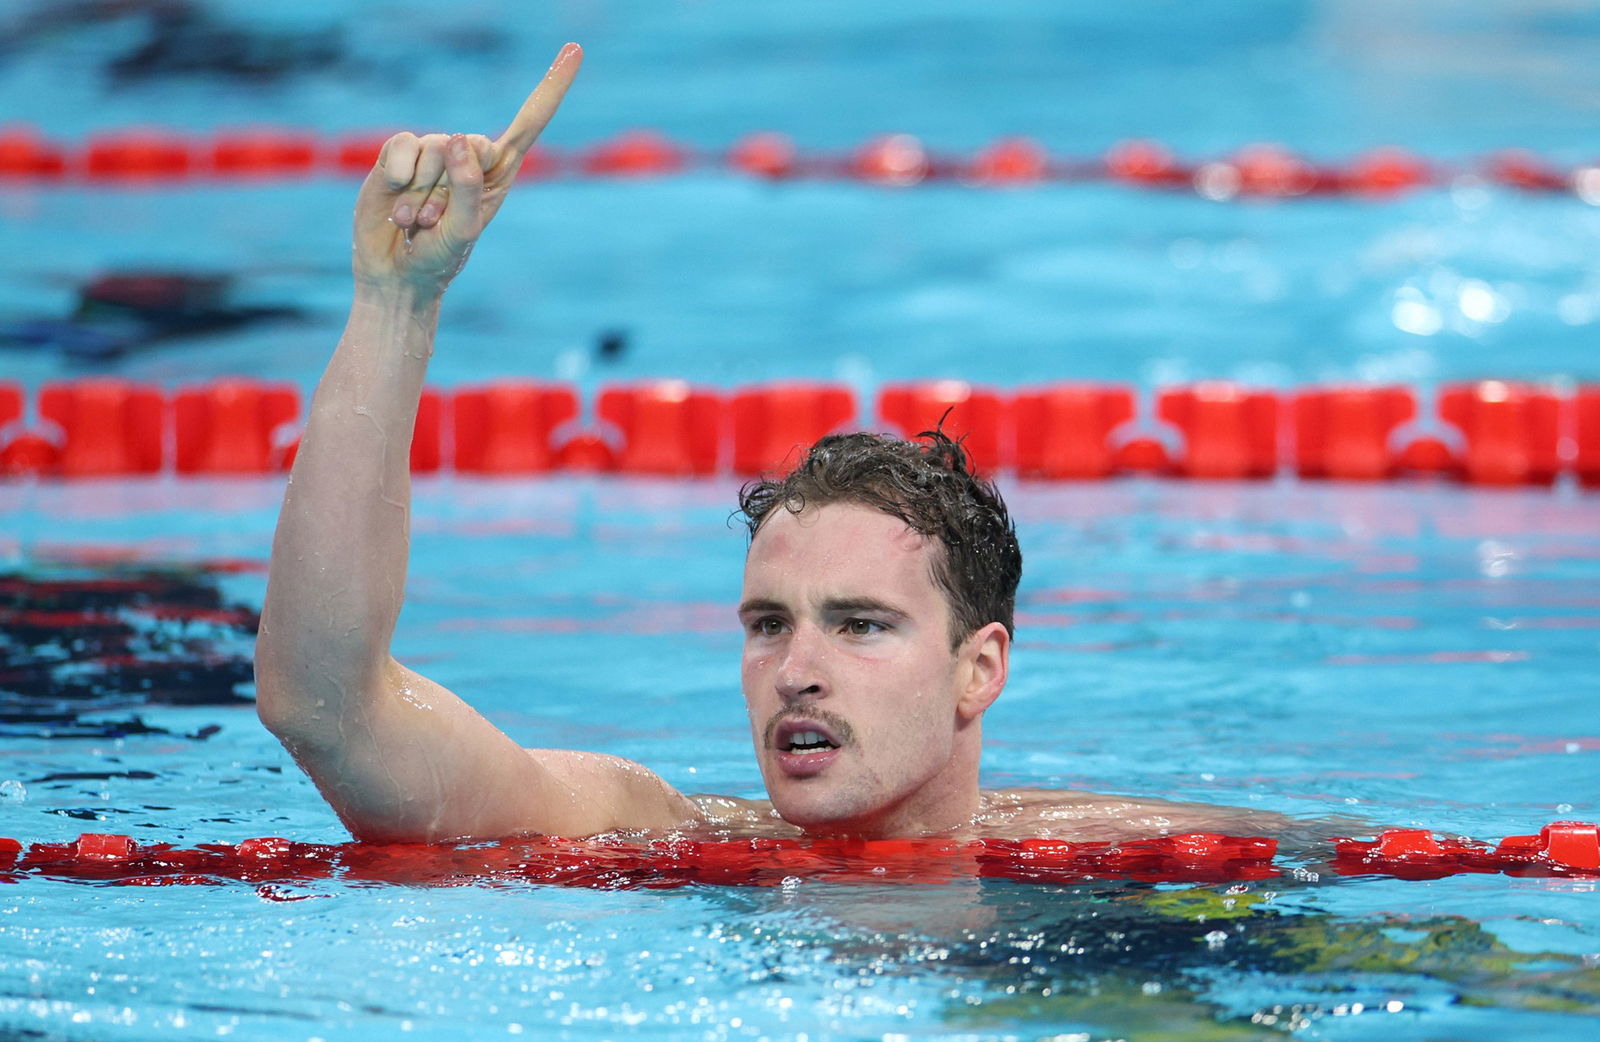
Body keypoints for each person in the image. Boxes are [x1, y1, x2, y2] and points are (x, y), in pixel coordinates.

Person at [254, 44, 1290, 846]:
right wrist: (395, 306)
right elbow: (326, 709)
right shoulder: (649, 832)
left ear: (977, 671)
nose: (795, 669)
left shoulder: (1139, 855)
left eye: (860, 625)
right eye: (766, 623)